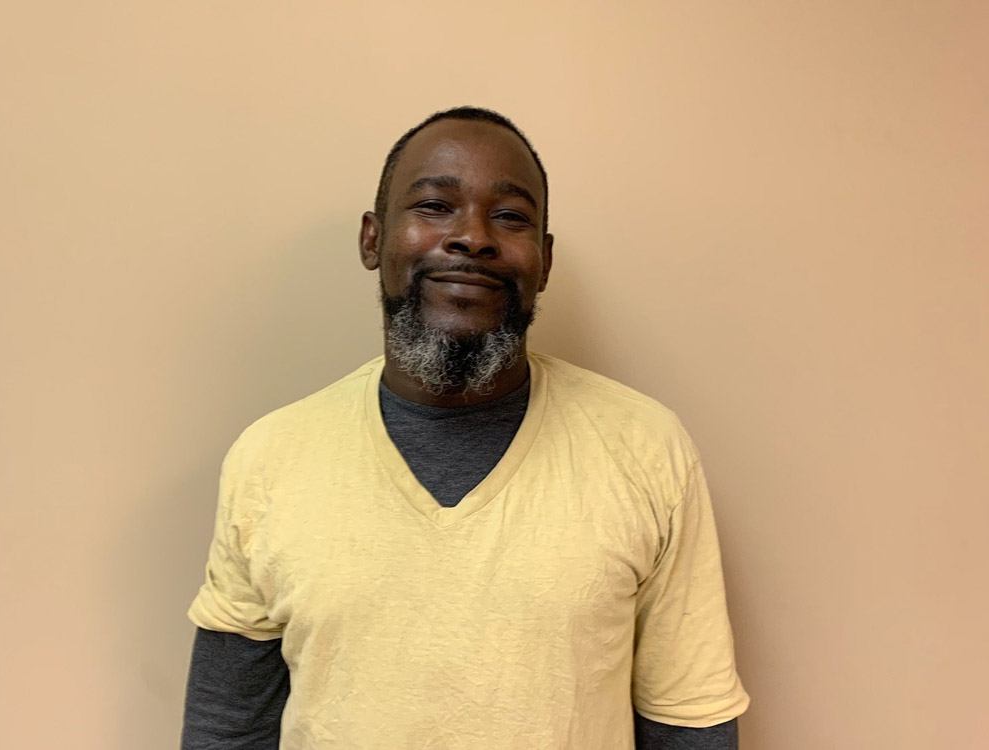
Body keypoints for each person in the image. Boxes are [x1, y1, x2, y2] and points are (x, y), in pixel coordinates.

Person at [182, 106, 750, 750]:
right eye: (434, 206)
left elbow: (689, 723)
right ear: (372, 239)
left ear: (544, 260)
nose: (473, 237)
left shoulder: (646, 448)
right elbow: (228, 727)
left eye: (509, 216)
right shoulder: (271, 457)